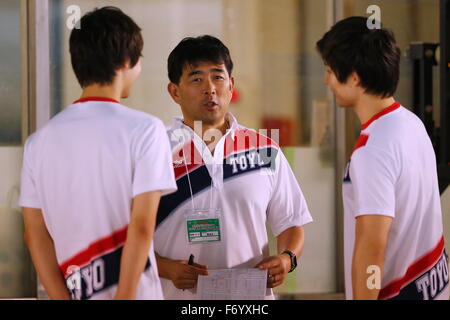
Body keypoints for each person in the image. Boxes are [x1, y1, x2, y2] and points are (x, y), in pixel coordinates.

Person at [19, 7, 176, 300]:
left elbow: (34, 235)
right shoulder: (146, 130)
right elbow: (141, 227)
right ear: (127, 61)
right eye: (139, 59)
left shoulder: (38, 142)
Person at [153, 35, 313, 300]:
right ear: (174, 91)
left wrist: (287, 259)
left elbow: (292, 223)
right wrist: (166, 268)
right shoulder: (156, 151)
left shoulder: (264, 150)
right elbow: (126, 238)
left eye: (217, 77)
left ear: (231, 84)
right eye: (196, 79)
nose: (210, 88)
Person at [317, 16, 449, 300]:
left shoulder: (372, 150)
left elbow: (372, 249)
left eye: (329, 70)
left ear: (354, 76)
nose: (326, 80)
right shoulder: (411, 124)